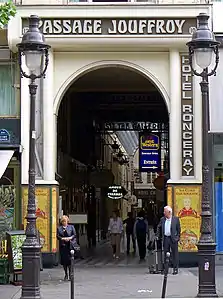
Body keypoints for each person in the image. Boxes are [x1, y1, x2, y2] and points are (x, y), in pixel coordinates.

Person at [156, 206, 181, 275]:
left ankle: (175, 269)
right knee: (166, 254)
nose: (164, 213)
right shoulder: (162, 219)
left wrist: (177, 238)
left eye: (165, 211)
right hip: (166, 238)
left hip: (173, 239)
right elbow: (159, 227)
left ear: (169, 212)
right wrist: (158, 235)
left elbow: (179, 230)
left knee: (174, 254)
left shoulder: (176, 219)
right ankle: (165, 269)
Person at [57, 215, 78, 280]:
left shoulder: (71, 227)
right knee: (64, 261)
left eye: (65, 221)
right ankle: (66, 274)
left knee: (70, 261)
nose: (64, 222)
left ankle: (70, 274)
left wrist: (70, 238)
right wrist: (63, 238)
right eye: (63, 221)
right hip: (63, 247)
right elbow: (58, 236)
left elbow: (74, 235)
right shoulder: (59, 228)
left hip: (70, 246)